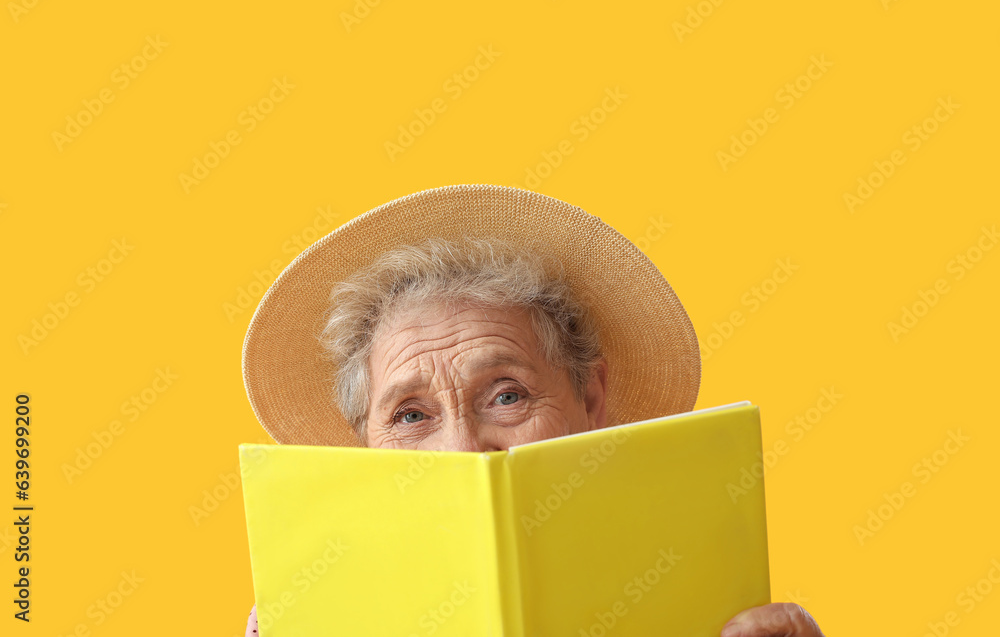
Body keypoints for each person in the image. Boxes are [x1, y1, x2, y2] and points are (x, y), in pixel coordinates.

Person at [239, 184, 825, 636]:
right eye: (410, 415)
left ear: (590, 399)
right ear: (366, 447)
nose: (464, 451)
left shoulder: (702, 598)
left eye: (507, 395)